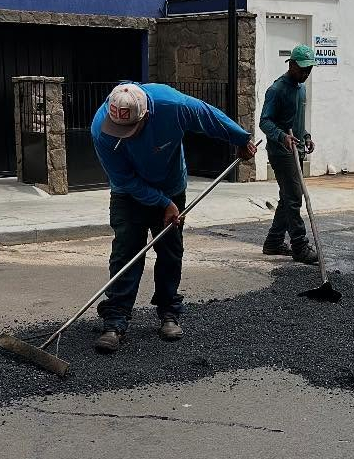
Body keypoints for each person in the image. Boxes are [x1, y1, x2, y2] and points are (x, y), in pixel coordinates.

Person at [91, 82, 257, 354]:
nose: (125, 135)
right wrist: (162, 203)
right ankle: (116, 320)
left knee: (170, 251)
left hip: (170, 184)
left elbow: (209, 116)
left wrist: (241, 139)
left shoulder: (172, 105)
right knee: (125, 252)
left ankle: (169, 313)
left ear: (146, 114)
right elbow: (124, 180)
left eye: (130, 129)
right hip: (129, 194)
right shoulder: (102, 129)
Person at [259, 44, 319, 265]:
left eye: (309, 70)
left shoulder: (301, 88)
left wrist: (306, 136)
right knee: (295, 197)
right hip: (281, 152)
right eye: (302, 69)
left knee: (288, 197)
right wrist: (282, 136)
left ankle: (274, 242)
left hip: (297, 149)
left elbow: (297, 119)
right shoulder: (276, 90)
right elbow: (264, 121)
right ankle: (299, 245)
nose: (305, 73)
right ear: (291, 65)